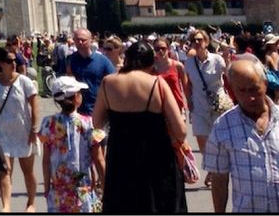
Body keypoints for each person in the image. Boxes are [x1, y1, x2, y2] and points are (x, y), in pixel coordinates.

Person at [92, 40, 187, 214]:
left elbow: (96, 123)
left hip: (121, 155)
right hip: (156, 155)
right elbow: (181, 131)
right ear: (151, 63)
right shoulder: (157, 83)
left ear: (126, 59)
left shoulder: (108, 83)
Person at [204, 56, 279, 214]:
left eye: (254, 89)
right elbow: (219, 180)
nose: (250, 97)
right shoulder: (223, 127)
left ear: (265, 84)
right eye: (242, 91)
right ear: (232, 89)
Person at [38, 76, 103, 213]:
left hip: (58, 191)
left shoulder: (48, 123)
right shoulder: (89, 123)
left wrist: (47, 188)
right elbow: (98, 159)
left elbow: (46, 160)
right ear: (76, 98)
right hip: (83, 190)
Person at [0, 48, 38, 213]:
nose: (14, 64)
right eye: (10, 61)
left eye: (15, 60)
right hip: (2, 133)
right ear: (0, 64)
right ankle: (6, 206)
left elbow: (34, 105)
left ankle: (31, 203)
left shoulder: (24, 81)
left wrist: (34, 128)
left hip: (23, 131)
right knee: (5, 170)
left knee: (28, 171)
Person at [183, 28, 227, 183]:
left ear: (207, 42)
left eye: (200, 39)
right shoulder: (188, 63)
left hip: (218, 104)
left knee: (218, 139)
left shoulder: (217, 59)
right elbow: (187, 83)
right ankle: (211, 168)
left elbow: (228, 76)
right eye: (194, 40)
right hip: (199, 105)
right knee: (202, 139)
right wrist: (188, 101)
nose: (197, 43)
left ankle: (216, 168)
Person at [65, 30, 115, 117]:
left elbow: (114, 81)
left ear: (91, 40)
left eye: (83, 40)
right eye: (77, 40)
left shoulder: (102, 61)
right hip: (76, 112)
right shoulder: (70, 60)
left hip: (97, 110)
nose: (80, 42)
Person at [152, 38, 190, 122]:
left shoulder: (178, 66)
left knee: (179, 134)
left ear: (168, 48)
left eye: (163, 48)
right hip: (158, 108)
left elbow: (186, 87)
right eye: (157, 49)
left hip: (177, 105)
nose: (160, 51)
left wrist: (189, 106)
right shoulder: (151, 68)